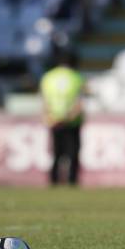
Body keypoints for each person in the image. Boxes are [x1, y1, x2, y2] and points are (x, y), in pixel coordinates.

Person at [40, 50, 85, 185]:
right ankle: (72, 181)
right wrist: (68, 116)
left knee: (56, 153)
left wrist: (50, 117)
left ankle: (53, 181)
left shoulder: (48, 77)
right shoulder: (76, 77)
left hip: (54, 120)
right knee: (73, 153)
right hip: (72, 121)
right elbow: (79, 102)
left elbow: (44, 101)